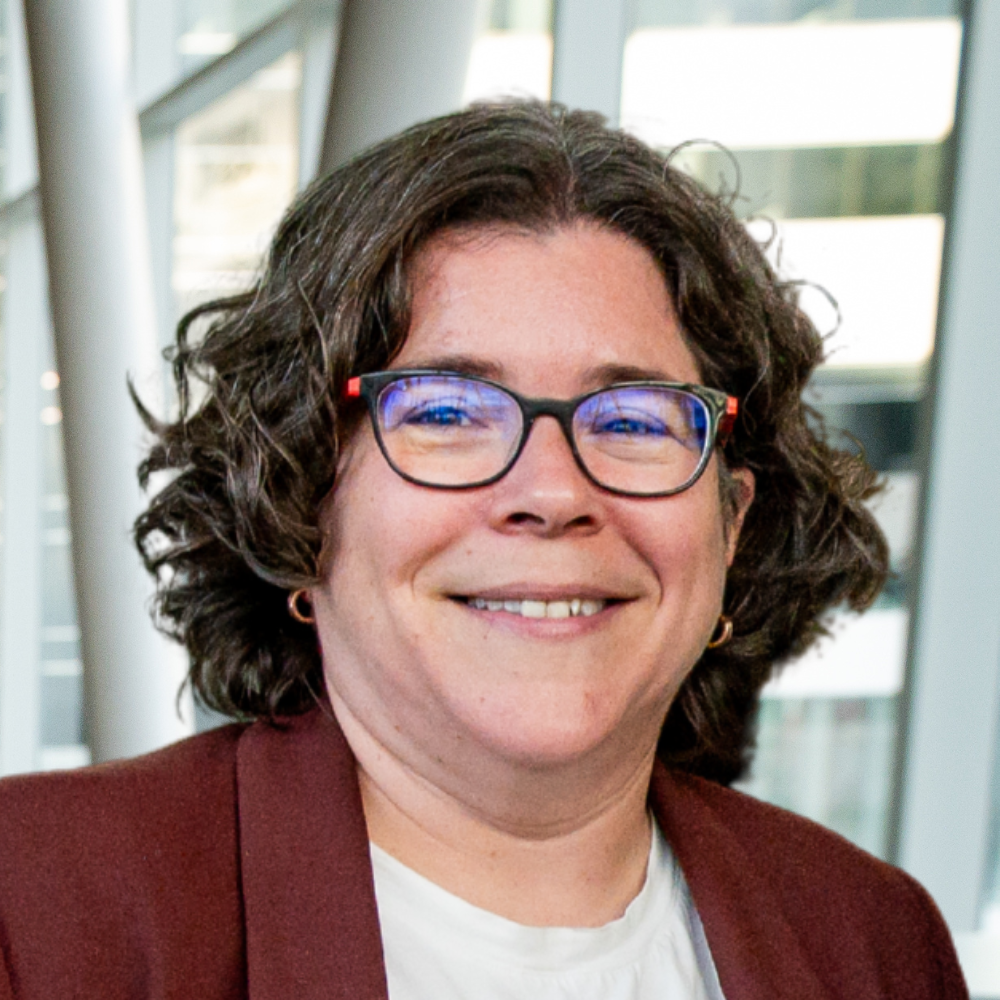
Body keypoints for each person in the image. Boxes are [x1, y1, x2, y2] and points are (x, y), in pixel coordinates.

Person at [0, 101, 968, 1000]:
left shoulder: (870, 944)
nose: (551, 492)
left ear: (731, 524)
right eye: (449, 411)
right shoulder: (37, 910)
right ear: (295, 495)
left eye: (632, 419)